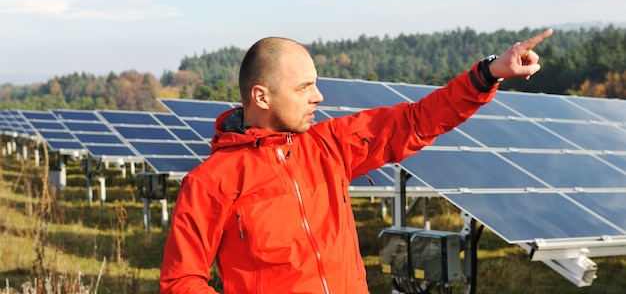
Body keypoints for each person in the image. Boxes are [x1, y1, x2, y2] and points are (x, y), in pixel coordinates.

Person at [159, 28, 553, 294]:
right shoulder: (210, 182)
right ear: (262, 97)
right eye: (304, 87)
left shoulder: (328, 145)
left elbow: (415, 121)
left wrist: (486, 75)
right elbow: (181, 280)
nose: (318, 97)